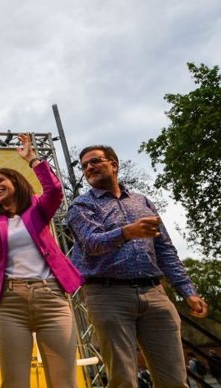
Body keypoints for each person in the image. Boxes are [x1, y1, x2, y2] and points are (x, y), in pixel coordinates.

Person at [67, 145, 208, 387]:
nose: (89, 167)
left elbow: (164, 249)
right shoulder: (81, 206)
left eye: (95, 161)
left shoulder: (142, 202)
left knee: (174, 379)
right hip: (108, 295)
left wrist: (188, 290)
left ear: (114, 164)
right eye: (84, 166)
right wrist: (127, 232)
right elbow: (91, 243)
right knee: (123, 380)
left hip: (155, 294)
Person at [0, 133, 84, 388]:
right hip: (11, 305)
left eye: (1, 180)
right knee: (14, 382)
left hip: (51, 298)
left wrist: (33, 160)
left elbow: (54, 190)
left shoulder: (37, 208)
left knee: (63, 382)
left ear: (16, 182)